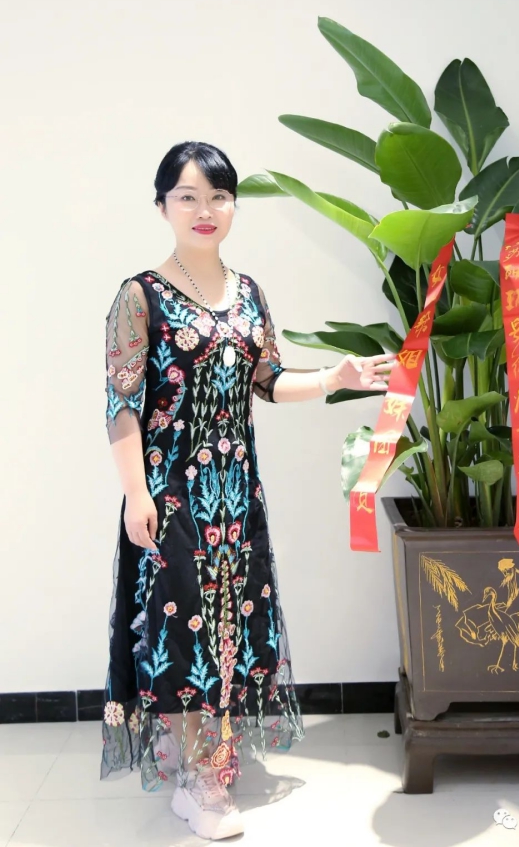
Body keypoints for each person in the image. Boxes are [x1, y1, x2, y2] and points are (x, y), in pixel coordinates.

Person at [99, 140, 395, 840]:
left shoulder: (249, 292)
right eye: (188, 197)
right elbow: (120, 405)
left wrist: (334, 378)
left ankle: (211, 765)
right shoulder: (139, 296)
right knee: (183, 633)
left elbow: (268, 381)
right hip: (172, 498)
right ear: (163, 206)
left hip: (237, 499)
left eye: (219, 196)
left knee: (231, 628)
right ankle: (201, 781)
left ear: (233, 205)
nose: (205, 210)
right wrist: (137, 494)